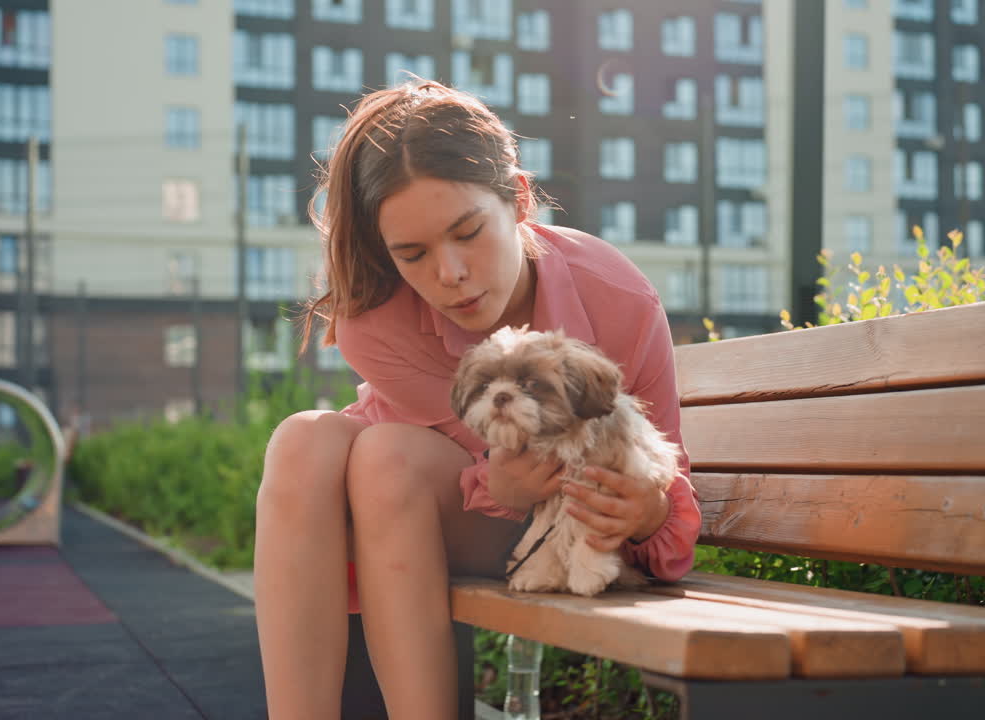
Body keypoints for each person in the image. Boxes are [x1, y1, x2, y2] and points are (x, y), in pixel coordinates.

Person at [255, 79, 702, 719]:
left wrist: (651, 510)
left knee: (385, 458)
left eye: (469, 232)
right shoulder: (375, 321)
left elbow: (662, 474)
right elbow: (497, 472)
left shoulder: (617, 299)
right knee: (302, 438)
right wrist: (508, 484)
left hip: (532, 521)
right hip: (407, 506)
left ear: (519, 198)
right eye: (412, 254)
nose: (450, 274)